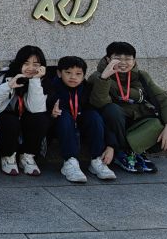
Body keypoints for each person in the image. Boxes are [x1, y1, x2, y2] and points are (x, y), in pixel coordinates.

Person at [90, 41, 167, 174]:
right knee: (112, 110)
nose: (123, 63)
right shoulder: (98, 76)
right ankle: (122, 152)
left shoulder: (141, 76)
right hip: (115, 124)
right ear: (108, 59)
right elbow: (99, 103)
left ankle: (138, 151)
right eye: (117, 58)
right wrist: (104, 78)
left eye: (128, 59)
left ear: (134, 61)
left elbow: (164, 98)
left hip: (139, 120)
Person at [46, 55, 116, 183]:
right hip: (58, 127)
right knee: (63, 115)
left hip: (81, 124)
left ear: (83, 76)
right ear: (59, 73)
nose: (73, 77)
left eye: (78, 74)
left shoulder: (86, 89)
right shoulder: (50, 87)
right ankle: (70, 162)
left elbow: (99, 117)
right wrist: (51, 115)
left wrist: (111, 145)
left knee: (94, 116)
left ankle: (96, 160)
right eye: (68, 73)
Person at [0, 45, 50, 177]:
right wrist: (8, 86)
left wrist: (35, 81)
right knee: (10, 121)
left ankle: (27, 156)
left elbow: (36, 109)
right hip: (5, 116)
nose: (30, 68)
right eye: (26, 63)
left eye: (35, 64)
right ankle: (8, 156)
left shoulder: (42, 80)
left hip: (26, 116)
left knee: (41, 119)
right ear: (19, 63)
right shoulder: (4, 75)